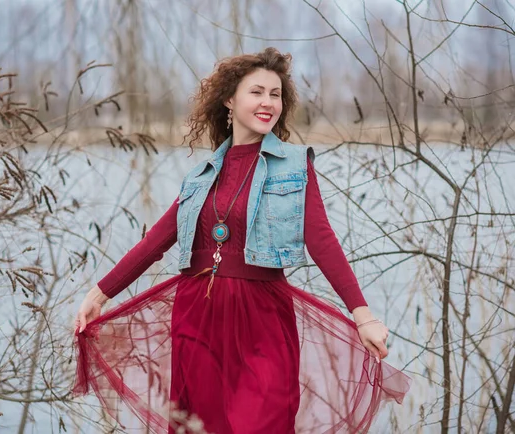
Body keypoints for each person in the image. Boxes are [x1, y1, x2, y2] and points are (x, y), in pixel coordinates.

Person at [73, 47, 411, 434]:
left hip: (263, 321)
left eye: (276, 94)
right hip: (197, 321)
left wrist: (363, 316)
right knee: (202, 426)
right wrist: (98, 295)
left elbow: (321, 240)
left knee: (262, 421)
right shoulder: (200, 177)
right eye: (257, 92)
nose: (268, 103)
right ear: (230, 100)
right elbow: (155, 242)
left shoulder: (295, 166)